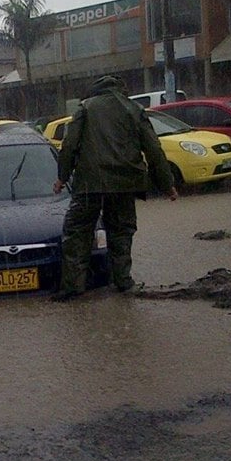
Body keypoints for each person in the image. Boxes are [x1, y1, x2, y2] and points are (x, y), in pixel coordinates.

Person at [52, 74, 178, 301]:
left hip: (90, 183)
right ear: (122, 90)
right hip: (125, 182)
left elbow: (69, 145)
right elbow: (154, 149)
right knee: (121, 232)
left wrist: (62, 178)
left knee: (77, 233)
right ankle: (122, 282)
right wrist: (167, 185)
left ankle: (73, 287)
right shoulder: (134, 109)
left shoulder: (86, 108)